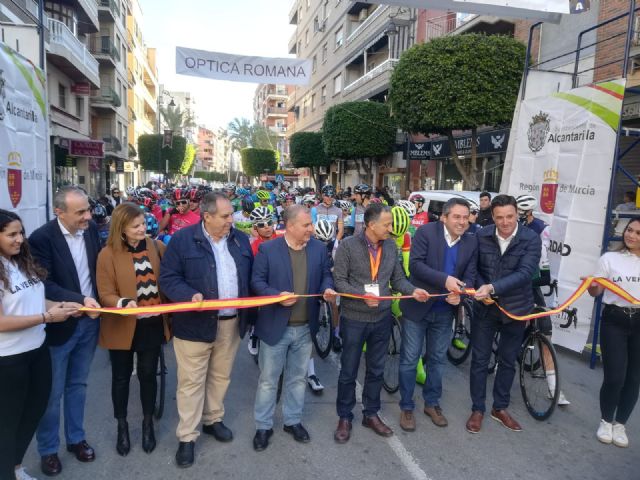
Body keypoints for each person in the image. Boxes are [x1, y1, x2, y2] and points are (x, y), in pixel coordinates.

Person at [159, 192, 253, 468]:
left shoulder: (240, 239)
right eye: (225, 216)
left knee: (220, 376)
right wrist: (189, 295)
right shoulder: (183, 240)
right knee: (191, 383)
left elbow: (250, 278)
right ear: (207, 216)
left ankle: (213, 419)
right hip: (194, 325)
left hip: (231, 322)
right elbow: (168, 278)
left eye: (232, 214)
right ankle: (187, 437)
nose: (231, 220)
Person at [332, 203, 429, 443]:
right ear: (371, 224)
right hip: (354, 318)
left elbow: (397, 279)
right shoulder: (347, 246)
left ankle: (370, 413)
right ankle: (344, 416)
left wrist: (413, 290)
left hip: (382, 319)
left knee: (376, 369)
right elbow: (339, 281)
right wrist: (362, 295)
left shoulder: (391, 247)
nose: (391, 228)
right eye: (386, 224)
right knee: (348, 370)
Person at [0, 210, 80, 480]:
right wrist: (47, 317)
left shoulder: (21, 262)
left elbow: (35, 300)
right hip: (8, 359)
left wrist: (60, 306)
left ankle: (15, 467)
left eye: (20, 232)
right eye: (11, 234)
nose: (19, 239)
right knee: (8, 422)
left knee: (32, 413)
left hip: (38, 350)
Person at [28, 186, 102, 476]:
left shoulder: (92, 230)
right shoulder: (41, 239)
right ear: (59, 211)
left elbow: (98, 271)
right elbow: (44, 284)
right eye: (80, 212)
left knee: (78, 385)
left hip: (90, 322)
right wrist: (81, 300)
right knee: (52, 392)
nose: (88, 216)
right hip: (60, 325)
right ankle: (48, 450)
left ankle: (75, 439)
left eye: (88, 209)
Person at [250, 205, 336, 452]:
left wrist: (327, 288)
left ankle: (292, 421)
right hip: (276, 327)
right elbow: (256, 282)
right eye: (306, 225)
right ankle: (263, 426)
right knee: (268, 379)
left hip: (305, 328)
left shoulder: (319, 249)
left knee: (297, 379)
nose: (311, 229)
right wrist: (276, 296)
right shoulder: (268, 249)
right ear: (289, 226)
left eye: (311, 224)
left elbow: (325, 276)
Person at [96, 203, 171, 457]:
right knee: (120, 377)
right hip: (122, 324)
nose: (143, 229)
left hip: (151, 323)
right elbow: (105, 292)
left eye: (143, 224)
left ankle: (147, 423)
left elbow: (170, 277)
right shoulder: (107, 254)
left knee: (148, 374)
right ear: (121, 229)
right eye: (136, 226)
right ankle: (122, 425)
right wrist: (122, 303)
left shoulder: (156, 247)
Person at [398, 198, 478, 432]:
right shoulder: (425, 233)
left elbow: (470, 277)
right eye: (457, 217)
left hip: (445, 312)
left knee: (437, 360)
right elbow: (416, 266)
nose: (462, 222)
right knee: (409, 360)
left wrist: (461, 296)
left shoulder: (471, 242)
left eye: (465, 217)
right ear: (444, 217)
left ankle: (432, 404)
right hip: (418, 308)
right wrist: (445, 281)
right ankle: (406, 406)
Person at [467, 194, 541, 434]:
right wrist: (481, 288)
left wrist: (493, 287)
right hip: (485, 308)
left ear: (517, 213)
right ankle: (477, 409)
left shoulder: (531, 238)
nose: (505, 222)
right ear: (493, 217)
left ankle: (500, 408)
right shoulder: (481, 235)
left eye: (509, 216)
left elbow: (525, 273)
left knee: (507, 361)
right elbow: (473, 269)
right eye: (499, 217)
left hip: (516, 309)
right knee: (479, 360)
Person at [588, 218, 640, 448]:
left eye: (638, 233)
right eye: (630, 230)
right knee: (615, 376)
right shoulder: (610, 258)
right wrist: (591, 286)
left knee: (634, 378)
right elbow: (596, 292)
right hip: (614, 321)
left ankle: (620, 424)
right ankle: (606, 421)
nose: (631, 236)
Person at [515, 194, 569, 406]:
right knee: (508, 325)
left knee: (545, 329)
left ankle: (554, 387)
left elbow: (545, 269)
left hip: (530, 285)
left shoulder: (541, 237)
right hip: (512, 285)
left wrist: (538, 280)